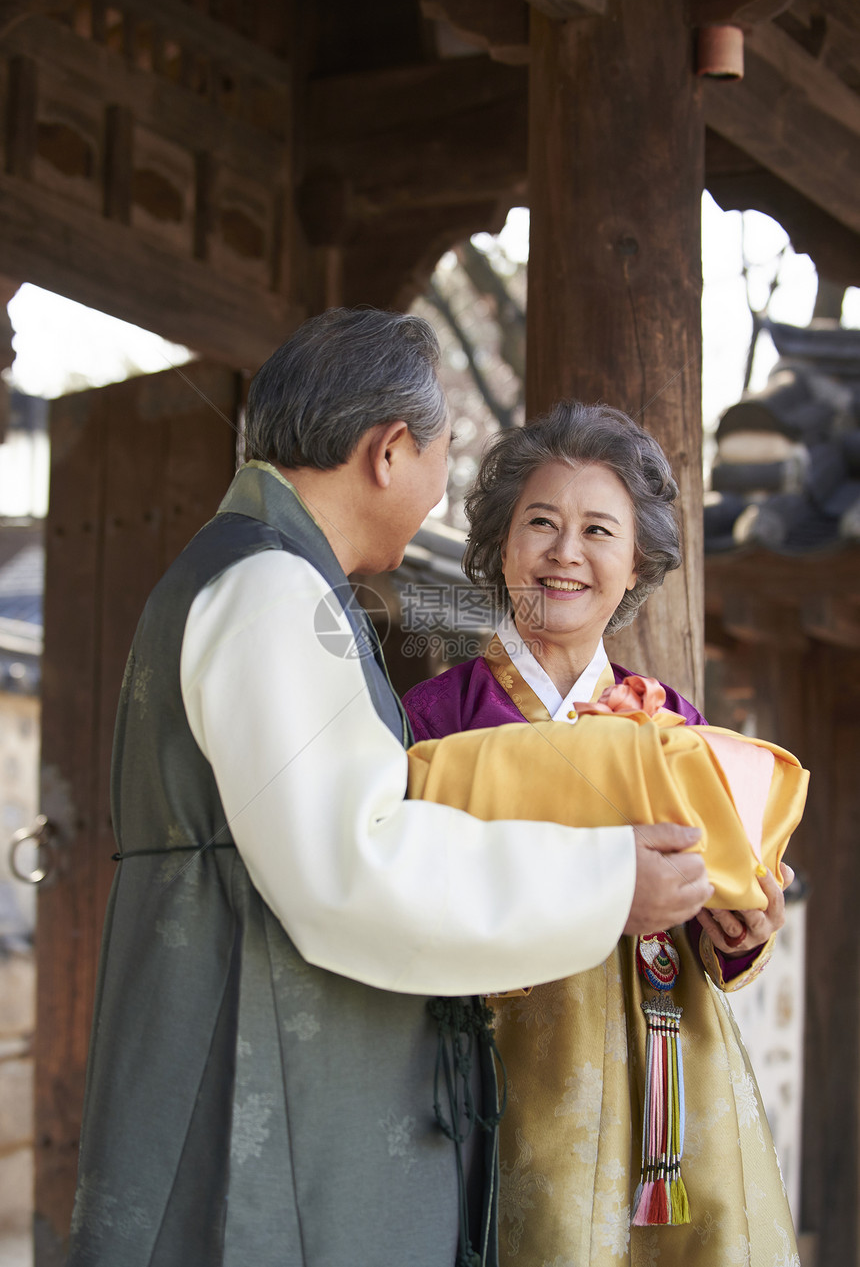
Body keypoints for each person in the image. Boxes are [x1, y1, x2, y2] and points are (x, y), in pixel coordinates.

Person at [66, 312, 711, 1267]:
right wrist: (609, 882)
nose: (439, 493)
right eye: (444, 459)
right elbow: (355, 862)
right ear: (390, 452)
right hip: (258, 1048)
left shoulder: (262, 575)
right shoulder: (274, 590)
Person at [403, 402, 800, 1267]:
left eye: (598, 530)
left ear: (636, 564)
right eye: (540, 522)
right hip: (490, 1063)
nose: (565, 552)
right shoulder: (434, 717)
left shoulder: (676, 725)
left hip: (666, 1077)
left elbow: (717, 923)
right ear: (500, 544)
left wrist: (742, 927)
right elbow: (402, 888)